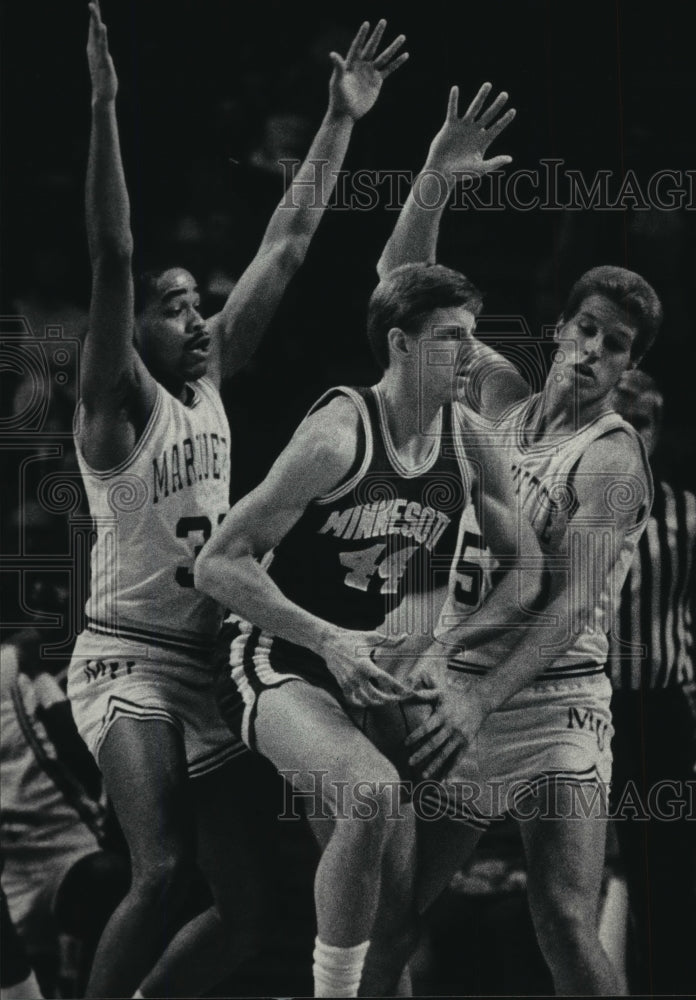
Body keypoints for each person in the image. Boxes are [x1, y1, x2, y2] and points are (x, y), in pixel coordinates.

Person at [67, 4, 409, 997]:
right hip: (127, 658)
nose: (199, 315)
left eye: (199, 301)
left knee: (256, 910)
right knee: (163, 865)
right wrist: (104, 101)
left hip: (204, 665)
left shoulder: (209, 383)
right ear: (135, 334)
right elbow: (113, 257)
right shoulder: (114, 411)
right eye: (177, 308)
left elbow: (290, 240)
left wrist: (340, 117)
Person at [376, 82, 663, 996]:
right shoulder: (495, 392)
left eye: (614, 346)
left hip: (555, 702)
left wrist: (481, 698)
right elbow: (400, 296)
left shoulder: (610, 456)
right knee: (389, 910)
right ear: (560, 328)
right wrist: (434, 178)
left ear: (629, 366)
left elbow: (572, 599)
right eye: (585, 330)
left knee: (565, 923)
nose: (591, 353)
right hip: (467, 682)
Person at [193, 247, 536, 996]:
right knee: (372, 794)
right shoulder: (338, 434)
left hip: (376, 665)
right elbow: (218, 564)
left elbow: (530, 569)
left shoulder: (469, 439)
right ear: (401, 344)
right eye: (452, 336)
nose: (470, 354)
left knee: (463, 807)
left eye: (473, 336)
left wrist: (447, 648)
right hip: (281, 655)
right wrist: (325, 639)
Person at [607, 369, 696, 994]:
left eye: (640, 421)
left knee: (664, 891)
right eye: (616, 418)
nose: (628, 433)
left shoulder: (688, 516)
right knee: (577, 888)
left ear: (656, 431)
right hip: (576, 707)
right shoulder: (556, 505)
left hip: (656, 713)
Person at [0, 629, 129, 997]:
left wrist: (41, 682)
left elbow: (84, 759)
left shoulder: (18, 662)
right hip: (9, 863)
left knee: (107, 879)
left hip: (66, 844)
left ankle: (81, 985)